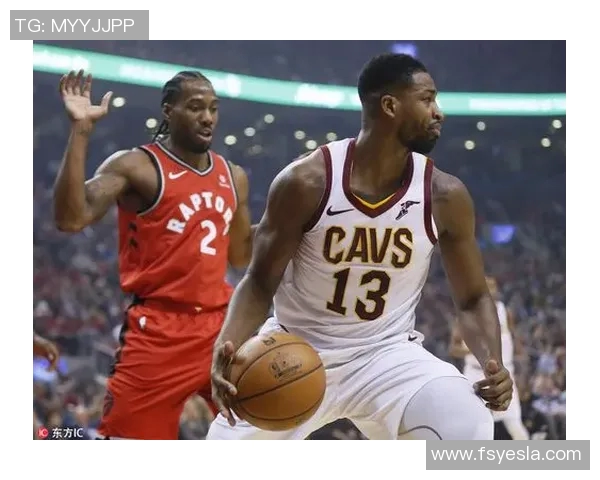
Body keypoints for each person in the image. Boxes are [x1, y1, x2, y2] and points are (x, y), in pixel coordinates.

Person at [208, 53, 513, 441]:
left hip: (387, 356)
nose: (439, 112)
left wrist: (492, 362)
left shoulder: (445, 195)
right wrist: (227, 346)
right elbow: (258, 282)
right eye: (427, 99)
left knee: (468, 423)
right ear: (390, 106)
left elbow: (472, 298)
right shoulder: (306, 182)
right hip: (294, 351)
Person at [52, 69, 254, 439]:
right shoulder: (136, 166)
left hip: (221, 329)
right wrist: (81, 131)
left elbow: (240, 255)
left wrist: (293, 219)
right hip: (159, 331)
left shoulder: (233, 176)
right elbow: (70, 218)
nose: (207, 117)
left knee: (258, 435)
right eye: (195, 107)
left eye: (213, 108)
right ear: (168, 111)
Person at [449, 276, 529, 440]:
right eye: (486, 287)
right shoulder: (465, 315)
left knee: (514, 423)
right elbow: (453, 349)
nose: (490, 291)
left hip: (504, 372)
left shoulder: (505, 312)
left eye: (493, 288)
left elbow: (516, 343)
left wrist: (521, 373)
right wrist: (474, 349)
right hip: (475, 373)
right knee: (472, 424)